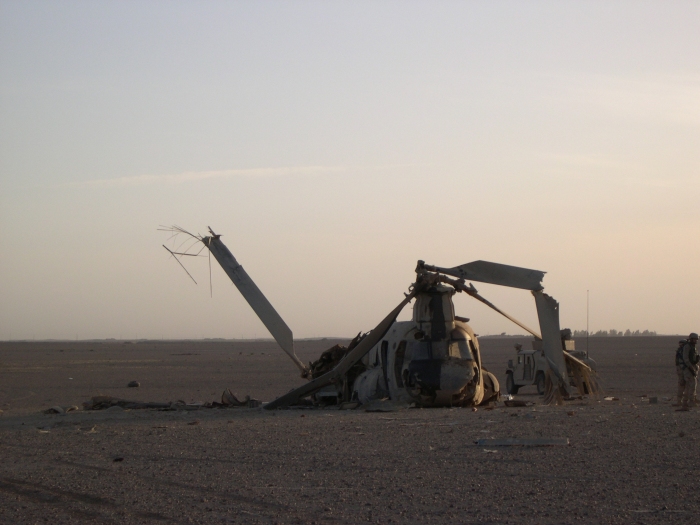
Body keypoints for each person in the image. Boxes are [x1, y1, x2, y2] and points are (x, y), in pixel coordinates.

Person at [676, 333, 699, 411]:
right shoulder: (687, 347)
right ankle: (688, 402)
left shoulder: (692, 347)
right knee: (690, 385)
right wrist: (691, 368)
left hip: (691, 368)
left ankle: (689, 401)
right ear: (691, 339)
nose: (695, 341)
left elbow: (693, 359)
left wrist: (695, 367)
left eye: (696, 339)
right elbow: (686, 359)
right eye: (694, 339)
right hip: (687, 369)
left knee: (692, 385)